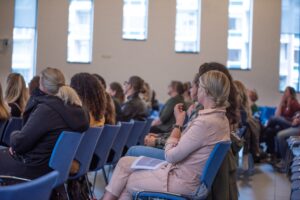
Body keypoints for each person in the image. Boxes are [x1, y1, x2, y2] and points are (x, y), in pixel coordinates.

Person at [102, 70, 231, 200]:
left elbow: (170, 156)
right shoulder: (221, 119)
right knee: (124, 163)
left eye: (200, 87)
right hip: (185, 174)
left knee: (129, 179)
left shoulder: (205, 123)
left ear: (207, 91)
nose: (197, 90)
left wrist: (178, 123)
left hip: (181, 179)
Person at [0, 67, 89, 180]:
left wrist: (13, 135)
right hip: (54, 166)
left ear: (42, 85)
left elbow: (20, 144)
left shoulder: (47, 109)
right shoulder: (78, 109)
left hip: (35, 168)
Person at [143, 74, 203, 149]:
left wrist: (156, 138)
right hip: (173, 137)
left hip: (168, 132)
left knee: (146, 135)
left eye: (192, 87)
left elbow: (162, 119)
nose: (190, 90)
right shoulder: (179, 100)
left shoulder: (174, 101)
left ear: (174, 88)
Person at [264, 86, 300, 157]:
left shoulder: (294, 103)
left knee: (275, 119)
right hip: (283, 124)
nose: (284, 93)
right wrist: (281, 102)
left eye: (286, 91)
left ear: (291, 93)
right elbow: (277, 114)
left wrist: (296, 118)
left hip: (291, 124)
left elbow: (298, 113)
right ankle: (273, 154)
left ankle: (263, 129)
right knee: (269, 131)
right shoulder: (284, 103)